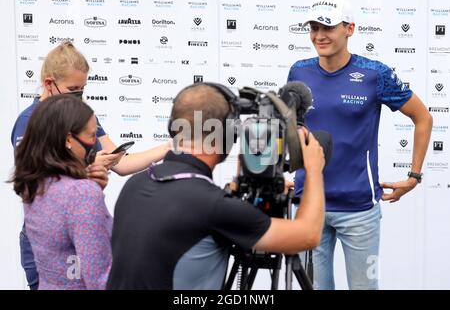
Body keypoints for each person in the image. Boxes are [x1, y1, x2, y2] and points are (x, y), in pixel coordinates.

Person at [107, 83, 326, 290]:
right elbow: (308, 235)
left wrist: (239, 186)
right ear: (227, 135)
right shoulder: (212, 206)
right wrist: (314, 171)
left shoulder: (136, 184)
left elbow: (189, 215)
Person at [288, 0, 433, 290]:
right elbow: (292, 128)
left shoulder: (374, 74)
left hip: (359, 210)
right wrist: (285, 173)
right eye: (313, 28)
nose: (319, 35)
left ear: (349, 29)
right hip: (308, 205)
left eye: (327, 27)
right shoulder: (298, 71)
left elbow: (423, 118)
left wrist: (414, 176)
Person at [10, 41, 171, 290]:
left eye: (82, 89)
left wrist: (169, 148)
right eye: (72, 89)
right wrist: (86, 173)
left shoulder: (80, 116)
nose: (79, 97)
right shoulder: (29, 122)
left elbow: (121, 162)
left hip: (78, 231)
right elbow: (36, 186)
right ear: (49, 83)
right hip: (48, 239)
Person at [10, 95, 113, 289]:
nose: (95, 143)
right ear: (68, 139)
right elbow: (100, 280)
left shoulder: (35, 184)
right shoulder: (81, 194)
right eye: (91, 135)